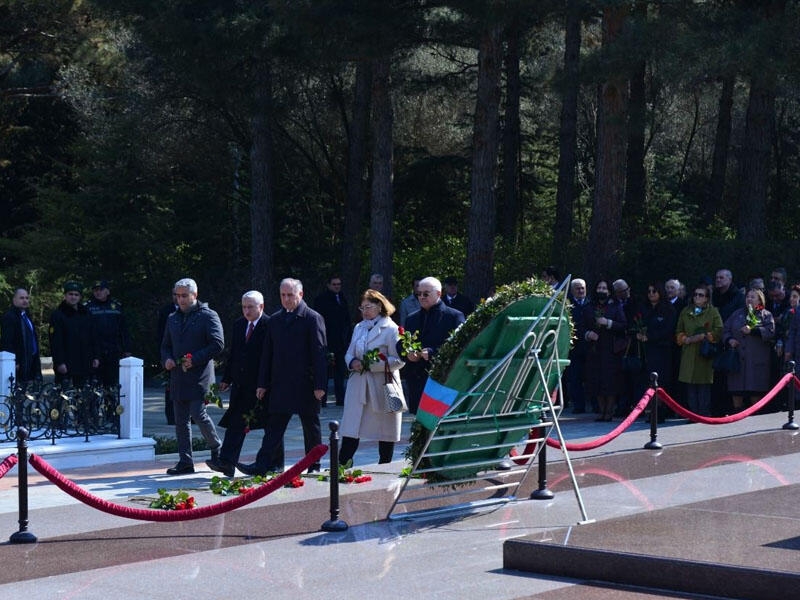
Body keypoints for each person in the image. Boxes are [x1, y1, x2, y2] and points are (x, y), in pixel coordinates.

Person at [238, 278, 328, 476]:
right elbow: (267, 354)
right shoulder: (276, 320)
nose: (286, 299)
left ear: (300, 295)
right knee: (274, 427)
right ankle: (262, 464)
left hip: (306, 383)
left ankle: (313, 464)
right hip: (280, 382)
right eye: (283, 295)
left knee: (310, 425)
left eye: (290, 295)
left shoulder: (312, 318)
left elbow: (319, 353)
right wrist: (262, 383)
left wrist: (320, 384)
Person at [206, 291, 279, 478]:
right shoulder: (239, 325)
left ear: (261, 307)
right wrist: (227, 378)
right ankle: (227, 462)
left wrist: (265, 383)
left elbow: (272, 358)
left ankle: (275, 463)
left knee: (271, 425)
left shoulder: (270, 325)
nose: (246, 311)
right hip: (241, 385)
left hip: (262, 386)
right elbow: (235, 354)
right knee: (236, 422)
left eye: (250, 307)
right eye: (244, 307)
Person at [160, 278, 223, 475]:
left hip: (200, 376)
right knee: (180, 420)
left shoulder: (208, 315)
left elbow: (217, 343)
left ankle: (217, 448)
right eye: (177, 296)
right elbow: (165, 346)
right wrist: (167, 359)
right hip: (178, 376)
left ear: (194, 295)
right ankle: (185, 461)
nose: (180, 299)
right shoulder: (173, 318)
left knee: (198, 414)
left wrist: (194, 359)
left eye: (184, 296)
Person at [338, 289, 405, 466]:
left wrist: (371, 364)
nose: (365, 311)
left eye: (368, 307)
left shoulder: (391, 329)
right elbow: (349, 352)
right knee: (351, 429)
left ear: (379, 306)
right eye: (362, 308)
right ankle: (342, 466)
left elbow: (399, 359)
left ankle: (386, 466)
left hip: (381, 385)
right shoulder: (359, 327)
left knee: (385, 431)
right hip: (358, 385)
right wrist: (352, 362)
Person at [401, 276, 465, 414]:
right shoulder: (412, 318)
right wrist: (408, 352)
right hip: (417, 378)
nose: (422, 297)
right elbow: (401, 343)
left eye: (426, 294)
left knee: (437, 422)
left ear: (438, 293)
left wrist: (432, 352)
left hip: (442, 378)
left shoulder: (454, 316)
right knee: (417, 422)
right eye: (419, 294)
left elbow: (459, 347)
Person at [722, 288, 775, 412]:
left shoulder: (765, 315)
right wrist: (729, 340)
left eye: (753, 297)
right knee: (737, 391)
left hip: (756, 361)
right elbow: (725, 330)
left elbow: (771, 332)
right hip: (738, 360)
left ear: (760, 300)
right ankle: (736, 412)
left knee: (755, 392)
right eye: (747, 297)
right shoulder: (737, 314)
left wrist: (753, 331)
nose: (749, 299)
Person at [582, 279, 627, 421]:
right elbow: (581, 325)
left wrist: (608, 323)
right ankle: (601, 411)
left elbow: (623, 325)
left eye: (604, 288)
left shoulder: (615, 306)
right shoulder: (589, 306)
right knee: (596, 381)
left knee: (610, 382)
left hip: (610, 350)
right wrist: (587, 334)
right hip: (594, 350)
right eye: (599, 288)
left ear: (609, 291)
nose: (601, 290)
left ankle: (609, 411)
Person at [675, 283, 723, 417]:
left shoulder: (713, 312)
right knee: (690, 386)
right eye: (695, 294)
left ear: (707, 298)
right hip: (689, 353)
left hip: (704, 354)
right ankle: (692, 415)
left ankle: (703, 415)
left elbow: (719, 330)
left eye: (701, 295)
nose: (697, 297)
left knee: (703, 386)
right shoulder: (686, 311)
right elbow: (678, 331)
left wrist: (704, 336)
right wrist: (686, 339)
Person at [638, 282, 677, 418]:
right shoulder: (645, 308)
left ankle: (661, 412)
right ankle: (651, 411)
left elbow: (668, 330)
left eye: (654, 291)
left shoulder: (668, 309)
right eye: (649, 291)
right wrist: (640, 334)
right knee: (648, 381)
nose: (651, 294)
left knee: (662, 381)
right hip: (647, 351)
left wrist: (650, 337)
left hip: (663, 351)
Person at [86, 279, 132, 387]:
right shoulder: (88, 308)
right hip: (95, 352)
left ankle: (111, 403)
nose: (98, 292)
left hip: (113, 350)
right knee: (94, 384)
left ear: (107, 291)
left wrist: (127, 349)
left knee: (111, 383)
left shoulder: (116, 306)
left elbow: (124, 329)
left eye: (101, 289)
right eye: (95, 290)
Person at [49, 281, 95, 388]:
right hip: (66, 363)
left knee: (82, 396)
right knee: (63, 395)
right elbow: (55, 341)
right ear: (65, 295)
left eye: (76, 294)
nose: (73, 297)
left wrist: (95, 356)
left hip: (84, 362)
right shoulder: (58, 315)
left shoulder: (86, 313)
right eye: (70, 294)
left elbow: (93, 336)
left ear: (80, 297)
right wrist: (60, 362)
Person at [313, 275, 351, 406]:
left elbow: (346, 320)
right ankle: (322, 400)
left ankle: (340, 399)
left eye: (339, 284)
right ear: (328, 285)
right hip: (326, 341)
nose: (337, 286)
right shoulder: (321, 300)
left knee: (340, 372)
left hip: (340, 342)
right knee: (324, 371)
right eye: (334, 284)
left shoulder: (342, 298)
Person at [0, 288, 42, 384]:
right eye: (21, 298)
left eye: (27, 298)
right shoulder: (9, 317)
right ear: (14, 300)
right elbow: (7, 341)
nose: (25, 300)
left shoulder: (27, 316)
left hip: (31, 361)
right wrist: (14, 361)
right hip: (18, 363)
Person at [566, 278, 591, 413]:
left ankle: (596, 405)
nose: (581, 291)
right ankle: (578, 406)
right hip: (575, 347)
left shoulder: (591, 303)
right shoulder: (568, 305)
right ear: (572, 290)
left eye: (582, 288)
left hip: (590, 347)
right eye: (577, 288)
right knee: (575, 378)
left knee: (591, 376)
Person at [157, 288, 178, 425]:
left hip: (188, 356)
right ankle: (171, 416)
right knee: (170, 386)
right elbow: (160, 334)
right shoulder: (167, 311)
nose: (178, 298)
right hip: (171, 355)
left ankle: (192, 416)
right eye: (175, 295)